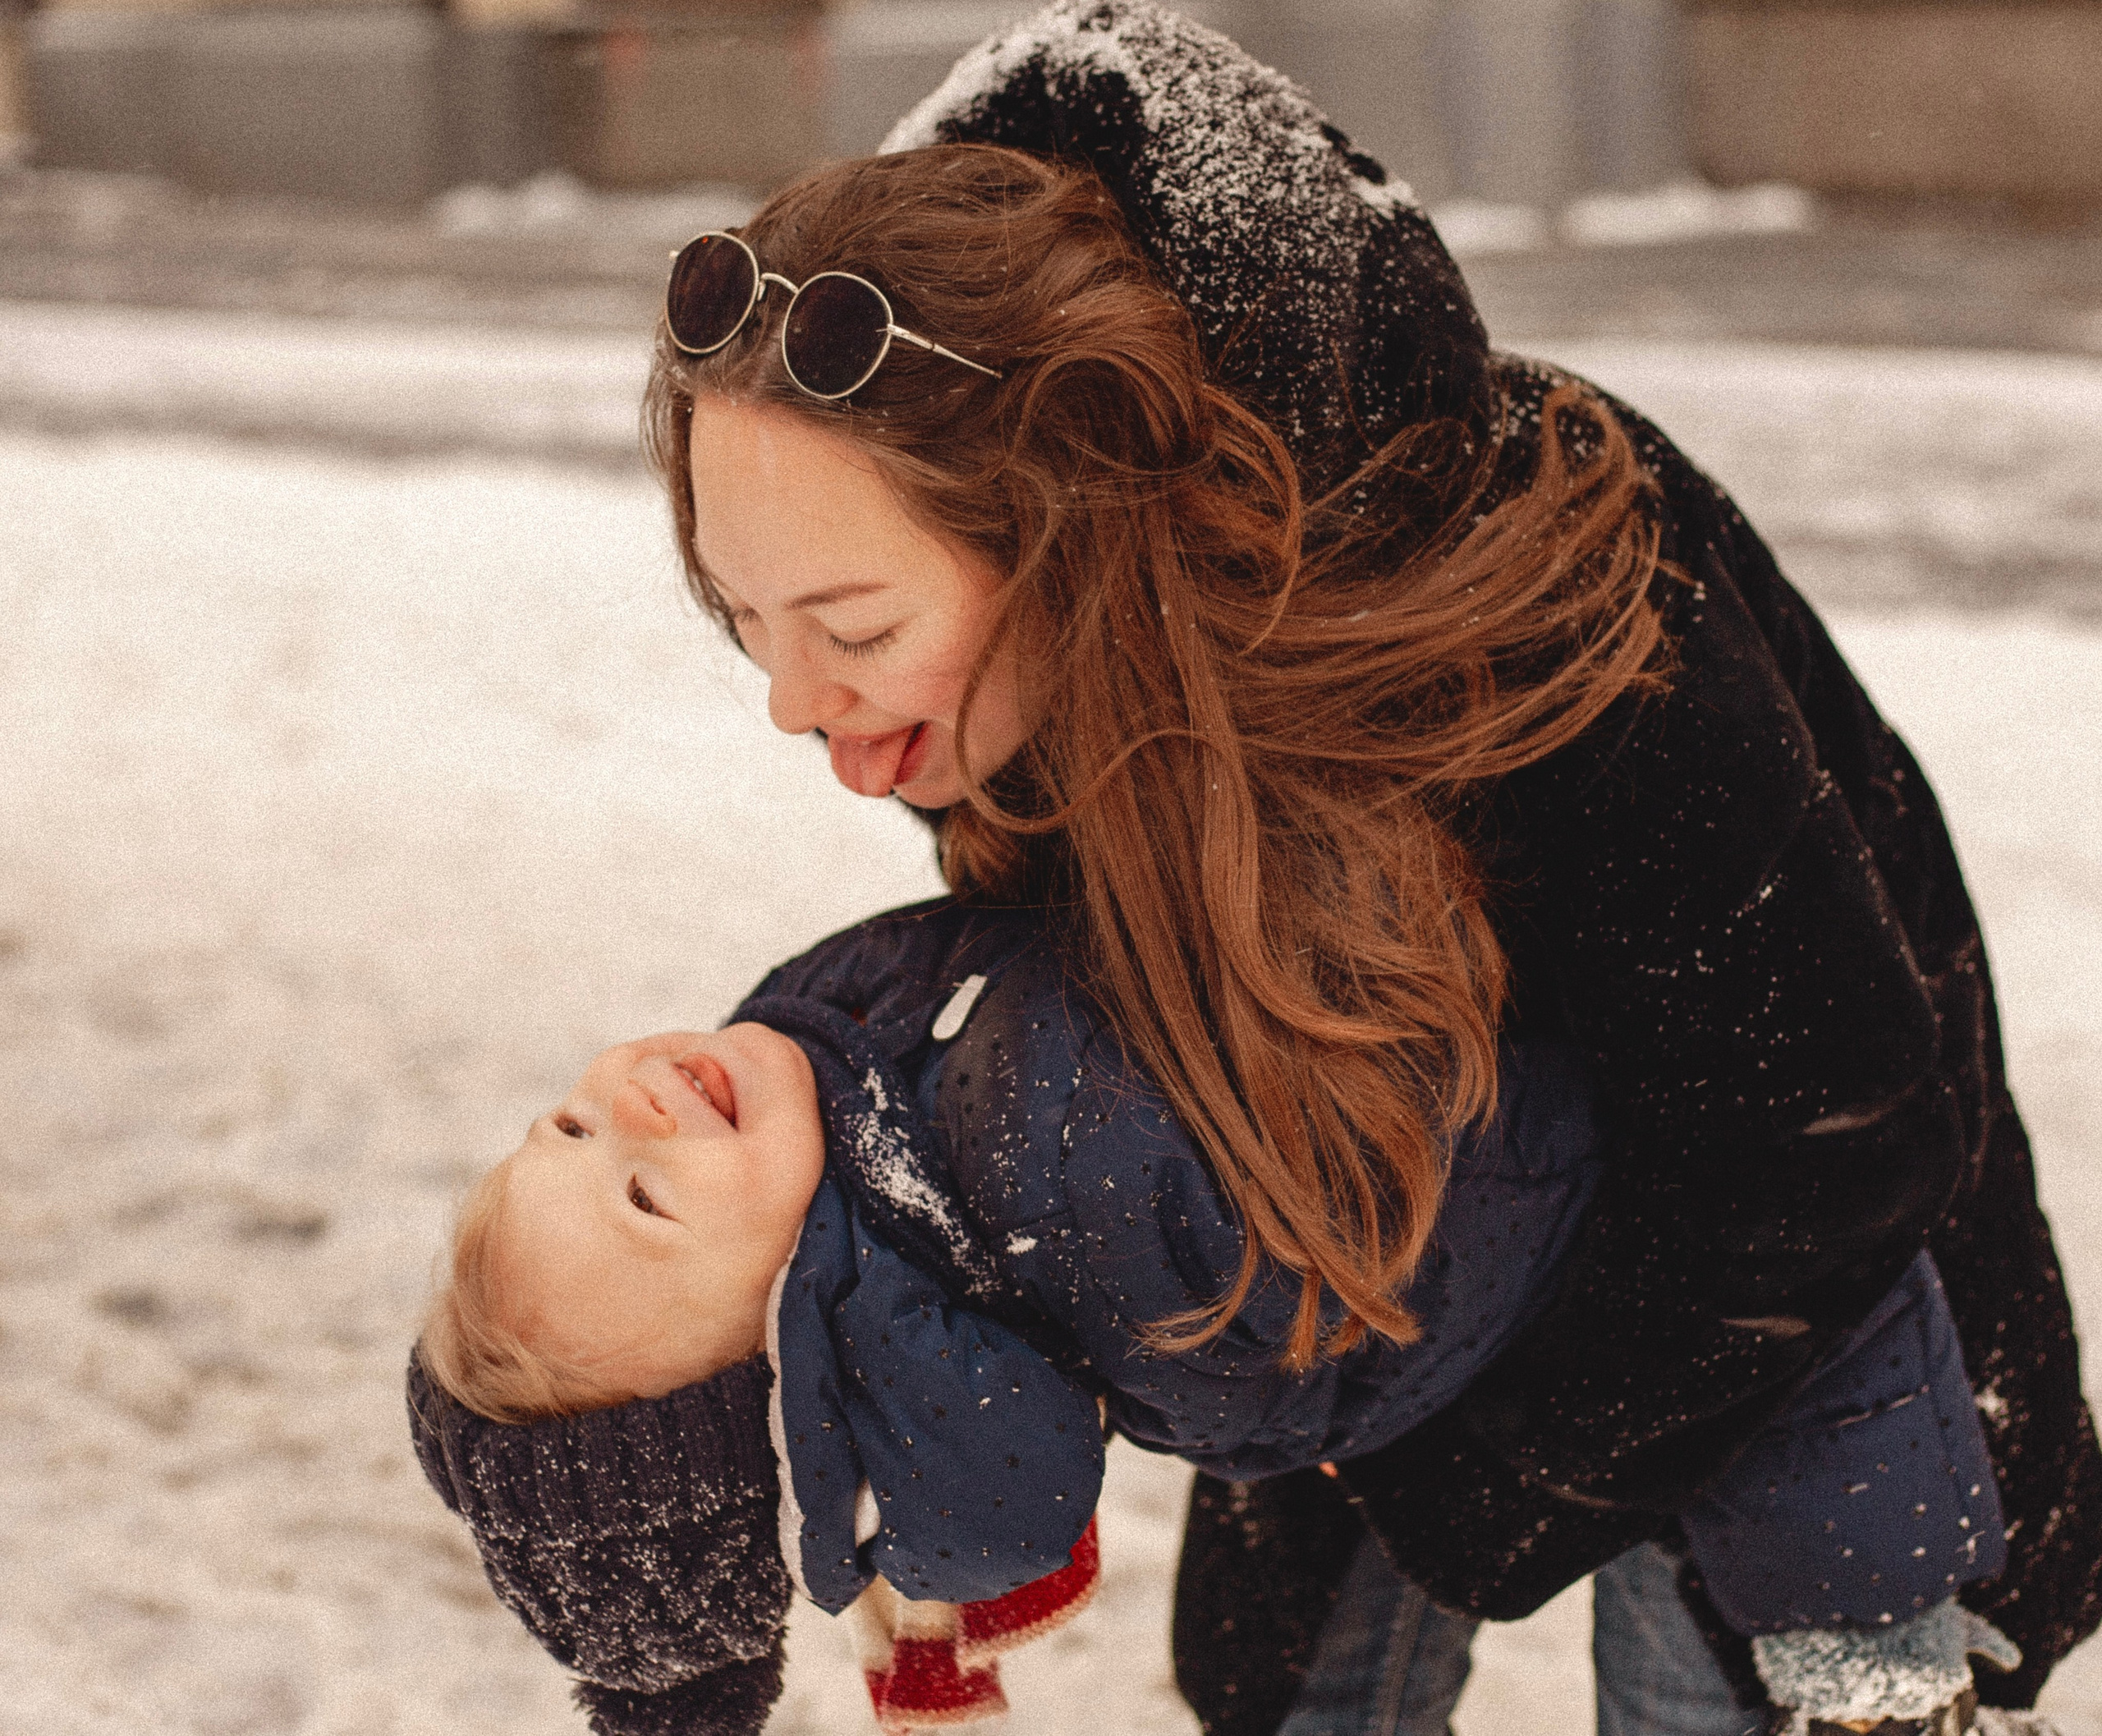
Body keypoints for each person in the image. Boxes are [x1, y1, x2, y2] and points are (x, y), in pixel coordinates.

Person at [411, 2, 2101, 1731]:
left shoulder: (1552, 580)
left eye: (849, 626)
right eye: (744, 622)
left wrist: (1475, 1490)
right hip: (1351, 1243)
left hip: (1776, 1321)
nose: (793, 706)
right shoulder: (1010, 698)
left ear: (1082, 535)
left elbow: (1820, 1139)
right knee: (1274, 1687)